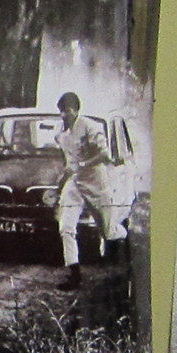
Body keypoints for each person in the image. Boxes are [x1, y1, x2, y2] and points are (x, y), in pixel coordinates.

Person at [54, 91, 126, 290]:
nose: (63, 115)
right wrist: (62, 181)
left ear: (76, 110)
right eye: (61, 111)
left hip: (96, 182)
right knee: (65, 227)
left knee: (108, 231)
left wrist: (82, 164)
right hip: (75, 184)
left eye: (67, 111)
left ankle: (124, 238)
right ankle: (74, 274)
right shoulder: (61, 135)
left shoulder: (90, 127)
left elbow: (104, 154)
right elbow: (67, 161)